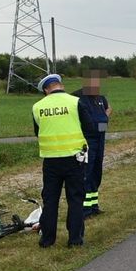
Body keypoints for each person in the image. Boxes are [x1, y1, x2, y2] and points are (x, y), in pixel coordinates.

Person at [33, 74, 93, 248]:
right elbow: (88, 127)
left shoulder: (37, 107)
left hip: (50, 161)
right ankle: (75, 240)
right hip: (74, 159)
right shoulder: (75, 102)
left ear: (45, 90)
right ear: (61, 85)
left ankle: (47, 240)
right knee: (75, 199)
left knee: (50, 200)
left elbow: (38, 132)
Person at [72, 70, 112, 218]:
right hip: (87, 140)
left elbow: (106, 112)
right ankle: (84, 209)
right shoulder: (77, 98)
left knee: (96, 172)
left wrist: (105, 119)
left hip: (100, 138)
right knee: (86, 174)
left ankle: (94, 206)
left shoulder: (100, 98)